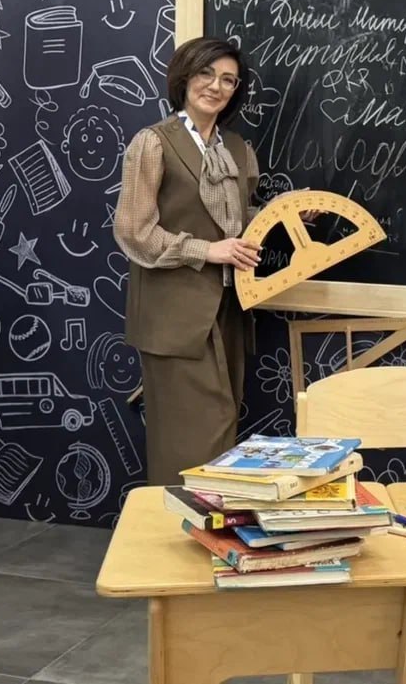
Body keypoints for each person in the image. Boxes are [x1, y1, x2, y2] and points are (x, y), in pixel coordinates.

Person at [113, 36, 263, 485]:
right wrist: (206, 250)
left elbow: (235, 221)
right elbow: (134, 231)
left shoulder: (237, 149)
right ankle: (172, 526)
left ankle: (211, 525)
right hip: (173, 318)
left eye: (228, 80)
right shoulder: (153, 143)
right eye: (206, 74)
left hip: (229, 310)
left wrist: (285, 213)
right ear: (185, 77)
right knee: (187, 440)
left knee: (222, 435)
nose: (216, 86)